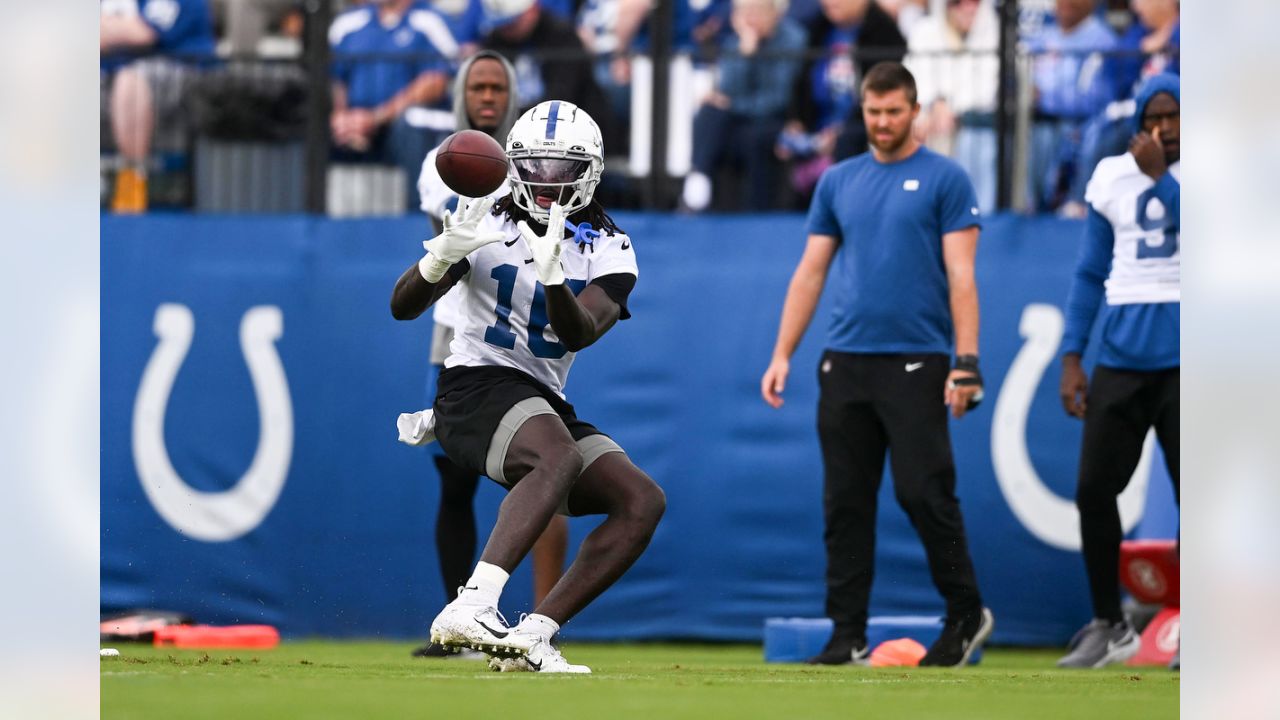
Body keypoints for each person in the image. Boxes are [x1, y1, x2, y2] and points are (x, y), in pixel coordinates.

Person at [390, 100, 665, 673]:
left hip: (541, 399)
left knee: (640, 502)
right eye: (533, 165)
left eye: (561, 167)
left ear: (589, 172)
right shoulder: (483, 215)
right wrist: (440, 258)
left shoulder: (609, 246)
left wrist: (555, 277)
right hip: (471, 387)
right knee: (556, 454)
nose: (545, 181)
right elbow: (401, 307)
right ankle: (472, 604)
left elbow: (581, 330)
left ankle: (533, 634)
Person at [761, 62, 993, 667]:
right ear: (862, 111)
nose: (883, 122)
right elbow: (811, 272)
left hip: (918, 361)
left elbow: (963, 278)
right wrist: (783, 353)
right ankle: (847, 633)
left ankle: (966, 613)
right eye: (873, 111)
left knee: (925, 494)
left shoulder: (946, 179)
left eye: (894, 111)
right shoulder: (838, 181)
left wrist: (965, 363)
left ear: (915, 111)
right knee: (845, 504)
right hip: (845, 363)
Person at [408, 50, 571, 659]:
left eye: (496, 86)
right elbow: (454, 239)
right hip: (461, 329)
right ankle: (465, 619)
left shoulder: (544, 159)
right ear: (461, 93)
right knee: (454, 478)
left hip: (531, 326)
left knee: (547, 466)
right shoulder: (446, 159)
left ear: (512, 94)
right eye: (476, 85)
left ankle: (543, 619)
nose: (486, 96)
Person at [1057, 73, 1179, 669]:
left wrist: (1163, 178)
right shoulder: (1110, 175)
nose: (1164, 127)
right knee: (1092, 489)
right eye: (1153, 115)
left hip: (1192, 352)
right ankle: (1111, 623)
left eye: (1174, 115)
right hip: (1123, 355)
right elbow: (1089, 271)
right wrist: (1073, 354)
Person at [329, 0, 459, 208]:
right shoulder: (348, 23)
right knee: (317, 128)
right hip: (356, 122)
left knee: (409, 124)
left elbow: (435, 81)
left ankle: (418, 211)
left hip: (406, 121)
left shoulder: (429, 20)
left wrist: (375, 118)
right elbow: (335, 78)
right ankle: (324, 215)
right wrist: (341, 116)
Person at [681, 0, 807, 212]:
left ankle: (700, 178)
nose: (751, 18)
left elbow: (778, 99)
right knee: (710, 110)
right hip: (741, 118)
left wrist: (733, 105)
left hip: (778, 120)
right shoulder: (737, 41)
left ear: (775, 13)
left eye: (758, 11)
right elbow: (727, 89)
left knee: (738, 128)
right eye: (744, 12)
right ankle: (699, 177)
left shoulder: (793, 39)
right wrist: (745, 53)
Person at [778, 0, 906, 205]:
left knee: (848, 140)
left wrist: (839, 130)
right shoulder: (817, 29)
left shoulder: (884, 32)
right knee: (771, 140)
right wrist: (796, 120)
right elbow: (800, 83)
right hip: (817, 126)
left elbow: (882, 91)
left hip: (861, 123)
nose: (830, 2)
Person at [100, 0, 216, 213]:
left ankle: (132, 184)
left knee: (130, 81)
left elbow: (143, 33)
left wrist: (106, 29)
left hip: (178, 67)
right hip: (108, 69)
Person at [480, 0, 622, 152]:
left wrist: (508, 118)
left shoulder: (562, 36)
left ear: (532, 11)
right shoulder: (495, 41)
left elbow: (561, 99)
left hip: (570, 139)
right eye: (502, 25)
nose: (506, 30)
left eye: (512, 23)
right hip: (515, 137)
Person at [904, 0, 1000, 213]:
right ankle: (917, 210)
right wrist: (932, 103)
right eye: (958, 2)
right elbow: (911, 79)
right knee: (904, 129)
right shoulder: (925, 30)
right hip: (929, 121)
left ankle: (979, 214)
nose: (968, 8)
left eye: (974, 1)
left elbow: (988, 91)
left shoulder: (993, 30)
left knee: (976, 140)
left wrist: (951, 109)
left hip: (973, 123)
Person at [1023, 0, 1116, 214]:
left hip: (1077, 124)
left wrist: (1043, 97)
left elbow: (1095, 97)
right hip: (1037, 122)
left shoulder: (1102, 40)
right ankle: (1028, 208)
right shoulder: (1045, 36)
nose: (1066, 3)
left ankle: (1064, 207)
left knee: (1061, 135)